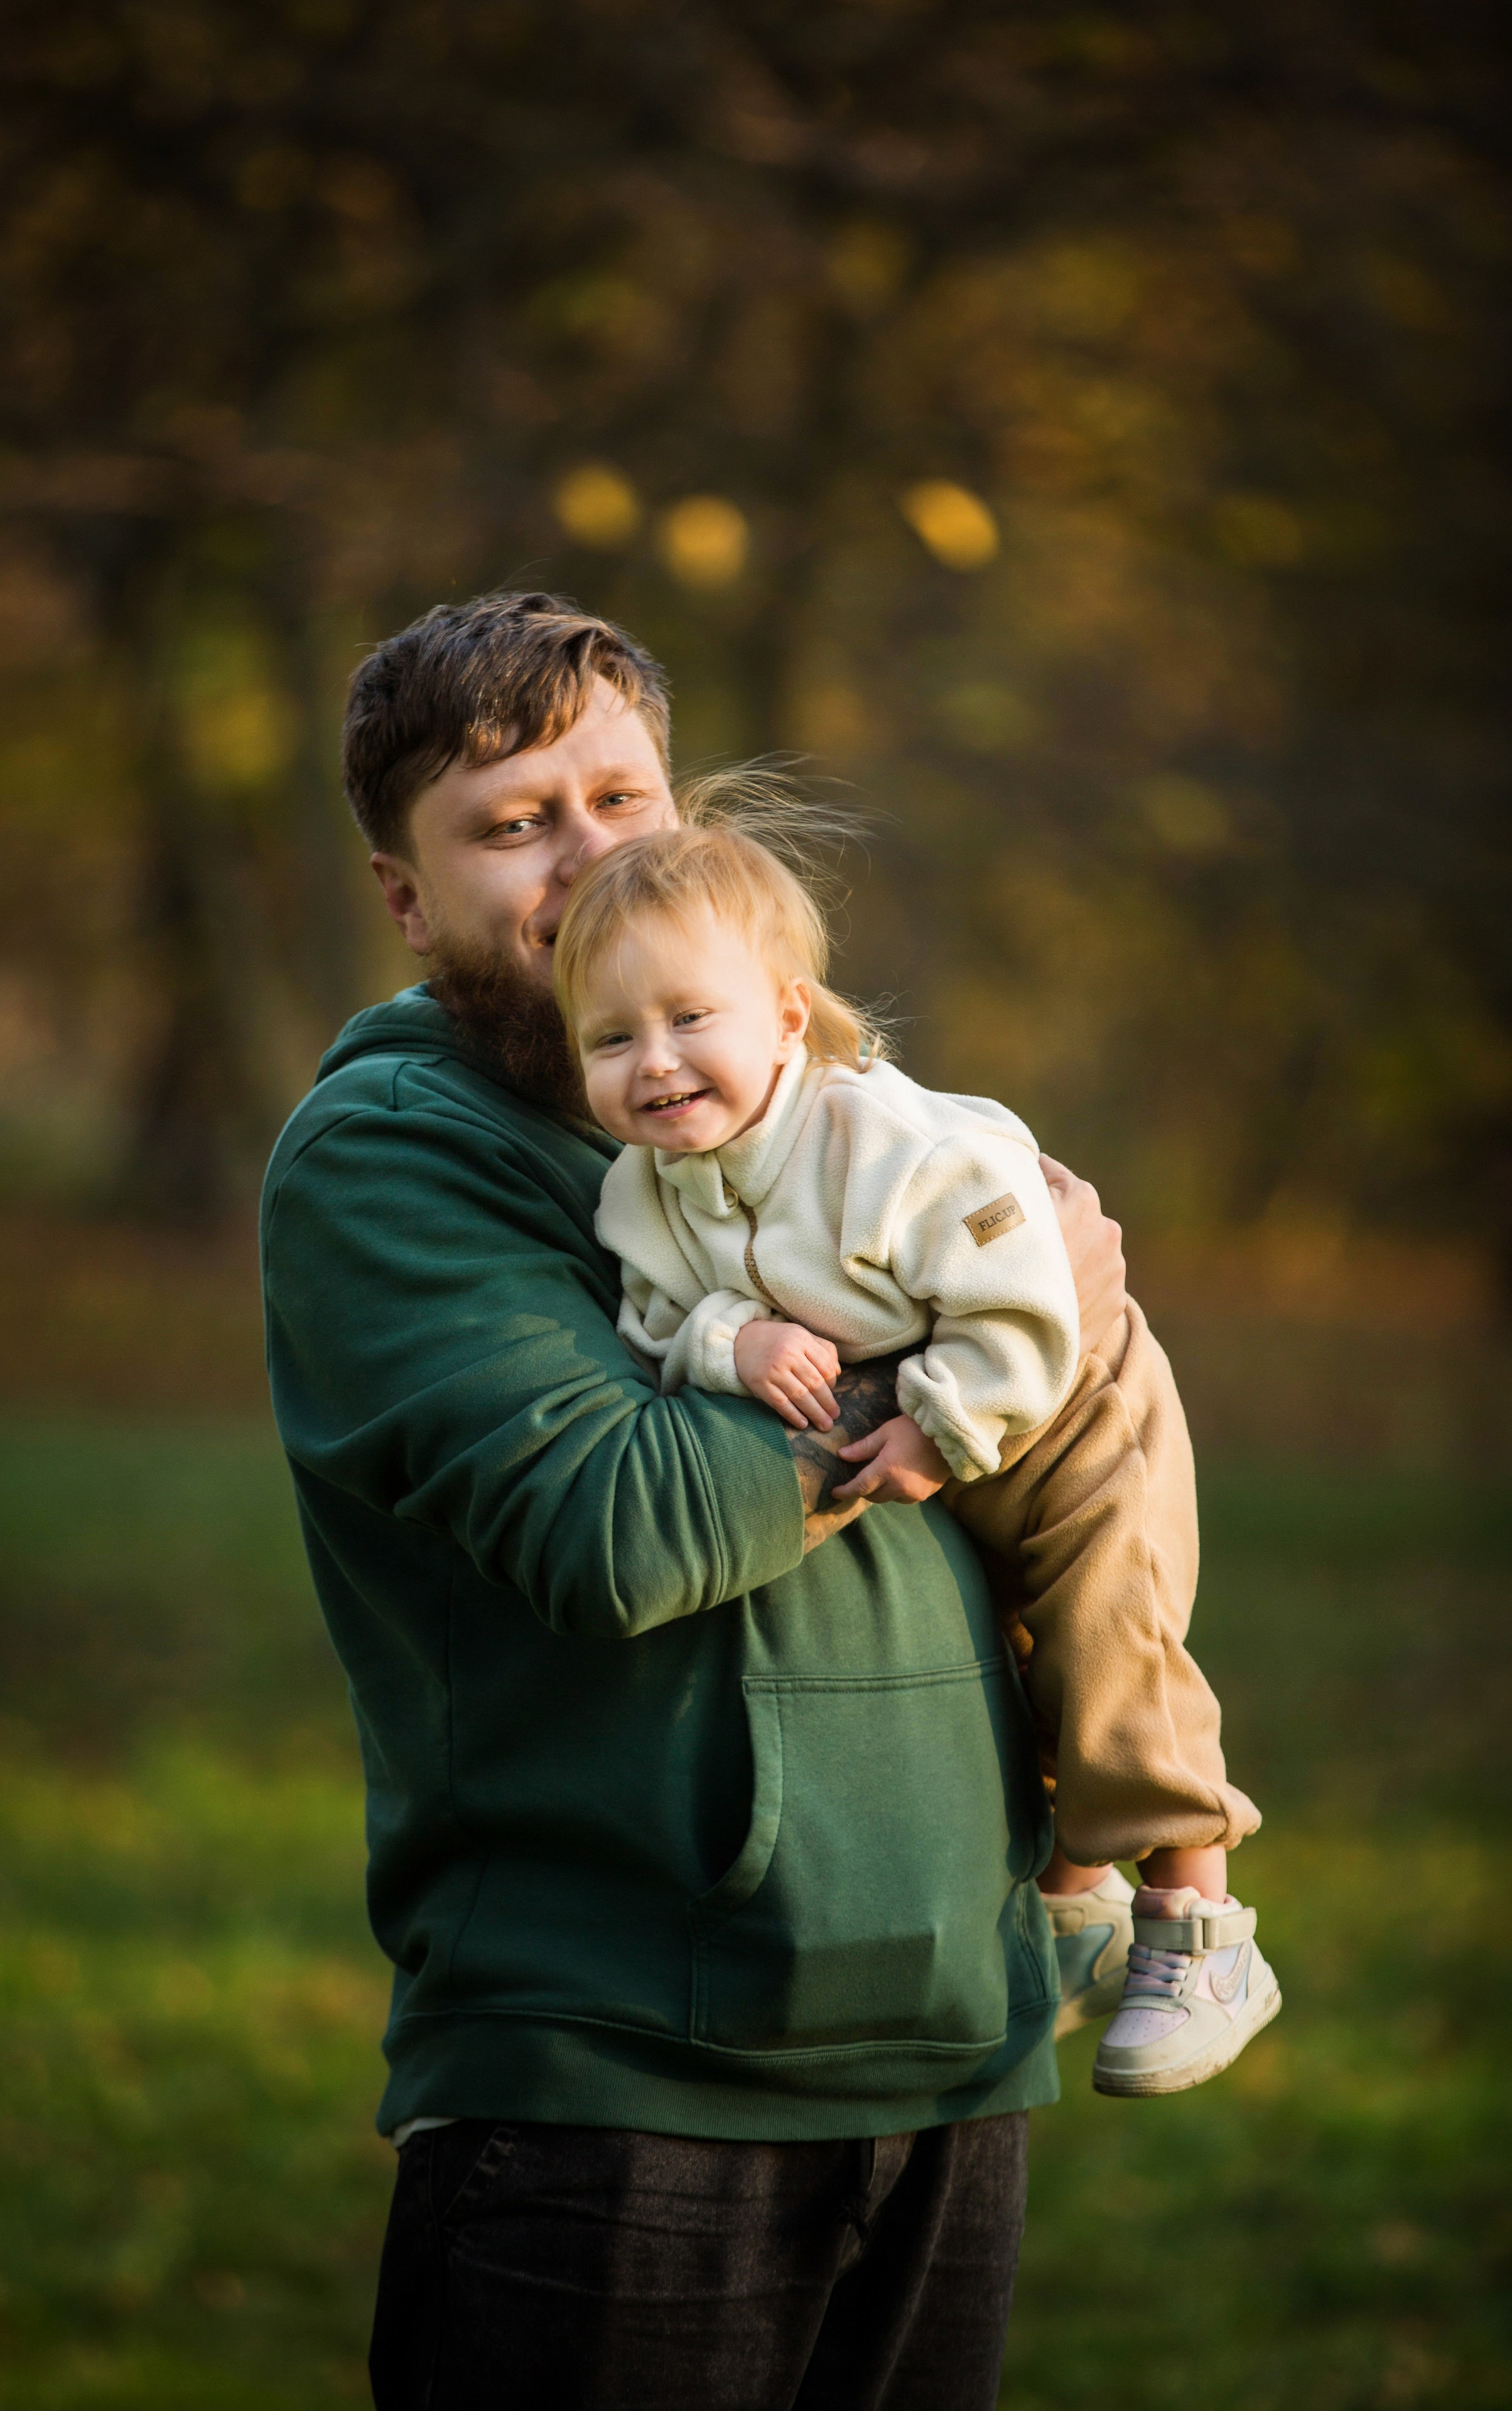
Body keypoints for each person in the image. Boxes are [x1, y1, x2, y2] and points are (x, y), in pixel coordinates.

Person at [261, 590, 1126, 2410]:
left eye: (623, 798)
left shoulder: (796, 1110)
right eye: (516, 824)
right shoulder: (395, 1156)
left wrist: (1026, 1316)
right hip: (618, 2084)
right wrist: (990, 1333)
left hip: (949, 2052)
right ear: (409, 901)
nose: (589, 860)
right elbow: (622, 1529)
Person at [554, 817, 1280, 2103]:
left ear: (785, 1020)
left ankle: (1200, 1922)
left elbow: (1029, 1297)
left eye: (687, 1020)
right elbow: (654, 1323)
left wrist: (943, 1427)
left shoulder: (896, 1150)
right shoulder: (643, 1191)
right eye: (611, 1039)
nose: (653, 1065)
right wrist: (739, 1336)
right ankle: (1075, 1904)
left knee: (1105, 1617)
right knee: (1002, 1647)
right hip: (927, 1404)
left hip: (1060, 1399)